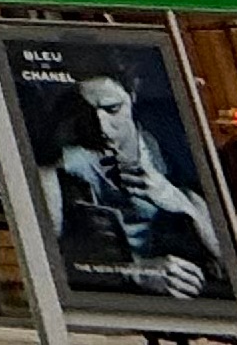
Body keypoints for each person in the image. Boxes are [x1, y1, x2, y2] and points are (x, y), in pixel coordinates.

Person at [44, 63, 224, 297]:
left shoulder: (173, 148)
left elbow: (227, 256)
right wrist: (136, 272)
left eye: (113, 109)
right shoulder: (64, 165)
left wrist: (179, 200)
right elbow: (51, 260)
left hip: (194, 289)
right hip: (112, 296)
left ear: (132, 96)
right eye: (87, 113)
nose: (102, 126)